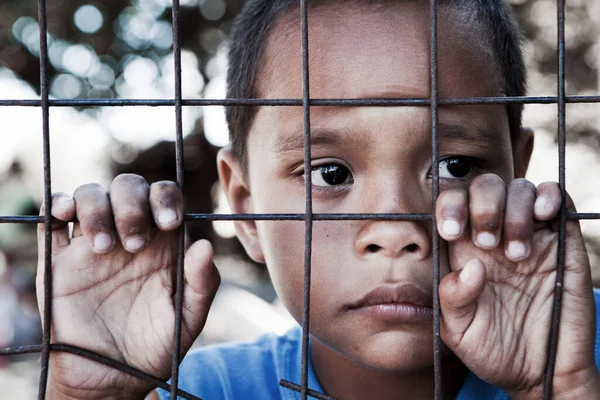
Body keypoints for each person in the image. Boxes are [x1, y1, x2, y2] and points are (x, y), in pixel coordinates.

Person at [36, 0, 600, 399]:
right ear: (246, 206)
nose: (397, 230)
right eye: (330, 172)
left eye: (455, 167)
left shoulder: (581, 351)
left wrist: (563, 389)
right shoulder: (206, 393)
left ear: (518, 174)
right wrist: (86, 393)